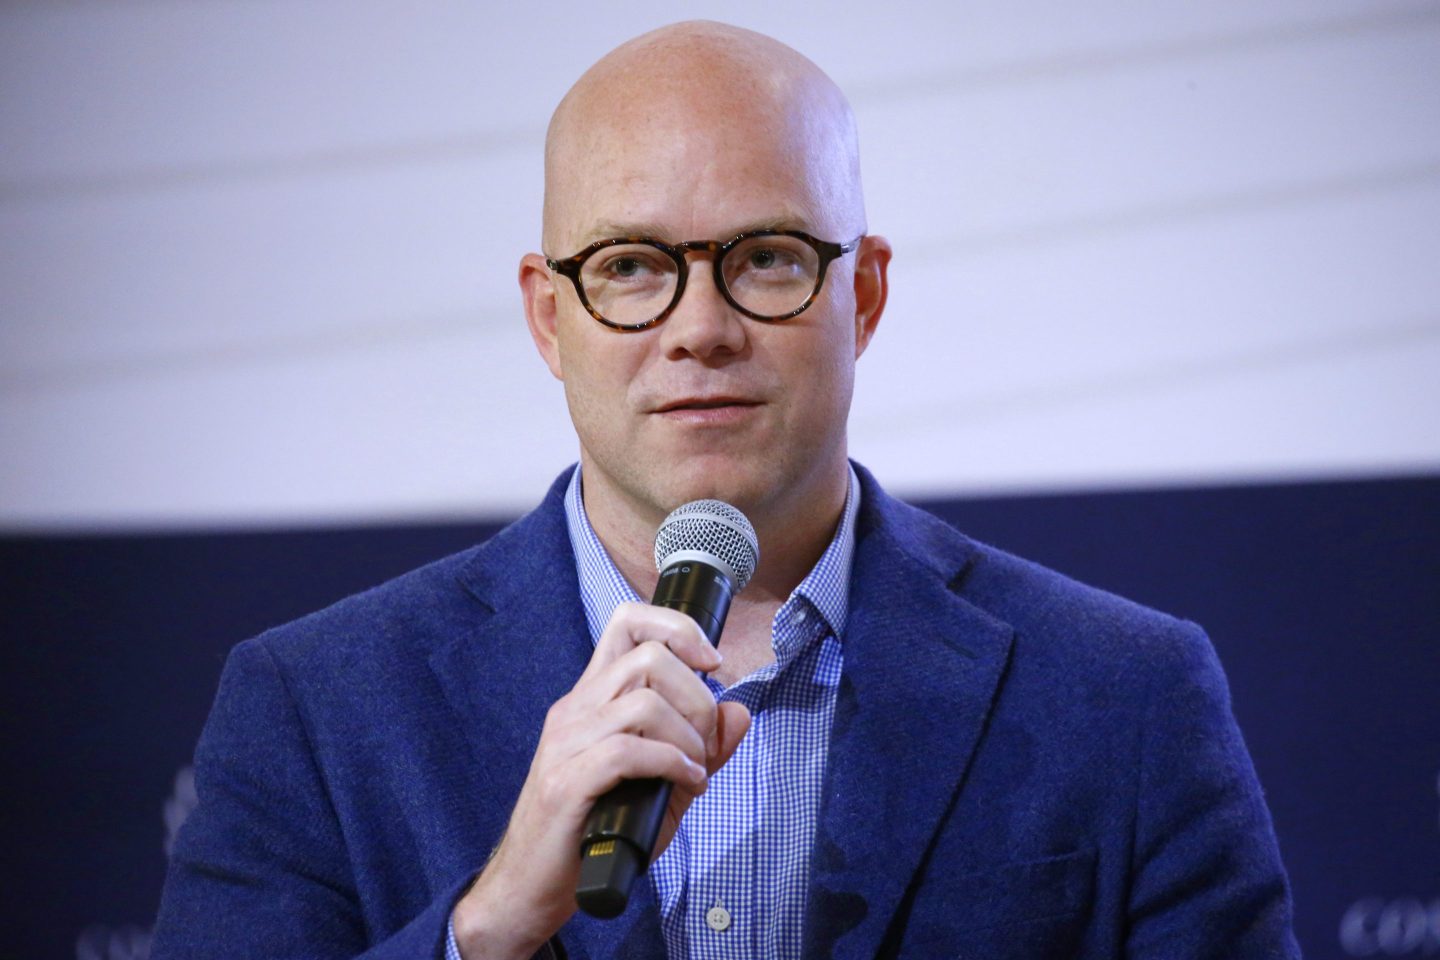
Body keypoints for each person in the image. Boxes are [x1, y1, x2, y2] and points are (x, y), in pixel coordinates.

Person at [151, 20, 1299, 960]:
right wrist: (486, 930)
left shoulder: (1129, 695)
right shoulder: (314, 708)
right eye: (632, 268)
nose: (700, 329)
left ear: (866, 297)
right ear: (551, 318)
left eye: (766, 259)